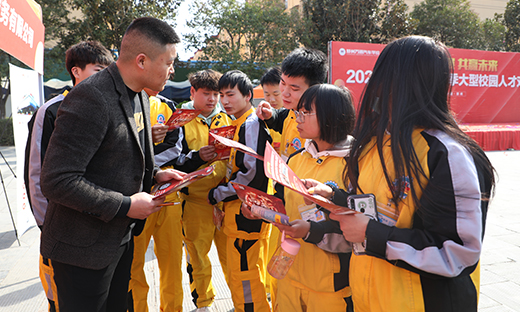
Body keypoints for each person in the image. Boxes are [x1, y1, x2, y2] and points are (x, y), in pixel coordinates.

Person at [308, 36, 496, 312]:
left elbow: (458, 252)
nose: (377, 85)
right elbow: (373, 205)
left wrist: (371, 233)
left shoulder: (446, 153)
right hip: (369, 299)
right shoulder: (374, 142)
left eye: (385, 74)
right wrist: (337, 198)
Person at [39, 17, 184, 312]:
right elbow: (58, 180)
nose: (172, 70)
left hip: (118, 238)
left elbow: (119, 155)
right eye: (169, 62)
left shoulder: (140, 94)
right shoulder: (91, 97)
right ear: (141, 60)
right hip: (82, 248)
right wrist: (125, 205)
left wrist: (156, 175)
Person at [245, 84, 356, 312]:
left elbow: (358, 227)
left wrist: (310, 230)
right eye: (298, 112)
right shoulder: (296, 159)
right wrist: (261, 211)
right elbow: (282, 204)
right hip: (289, 275)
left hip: (332, 286)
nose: (298, 118)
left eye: (306, 113)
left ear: (331, 115)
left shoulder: (355, 163)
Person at [23, 40, 114, 312]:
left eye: (107, 71)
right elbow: (36, 173)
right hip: (60, 228)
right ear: (76, 71)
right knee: (61, 298)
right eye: (98, 70)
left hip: (97, 226)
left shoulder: (108, 106)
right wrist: (45, 225)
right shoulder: (51, 110)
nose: (105, 78)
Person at [207, 70, 272, 312]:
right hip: (244, 213)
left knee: (246, 275)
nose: (224, 101)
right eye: (221, 95)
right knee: (248, 272)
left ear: (247, 96)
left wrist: (217, 193)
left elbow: (250, 173)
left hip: (246, 214)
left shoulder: (250, 124)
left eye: (230, 94)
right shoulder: (239, 124)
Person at [170, 69, 232, 311]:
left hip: (225, 200)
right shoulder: (179, 120)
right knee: (198, 257)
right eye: (207, 94)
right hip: (195, 202)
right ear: (192, 92)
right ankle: (203, 303)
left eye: (216, 94)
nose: (212, 99)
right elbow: (172, 160)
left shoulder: (226, 118)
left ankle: (240, 301)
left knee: (230, 258)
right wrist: (196, 158)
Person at [128, 87, 185, 312]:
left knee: (172, 260)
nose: (169, 70)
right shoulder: (125, 102)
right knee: (134, 264)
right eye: (165, 63)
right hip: (135, 194)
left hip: (167, 192)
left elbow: (176, 146)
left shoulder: (168, 106)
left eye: (170, 64)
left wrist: (149, 165)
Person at [256, 47, 328, 161]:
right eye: (283, 83)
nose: (284, 93)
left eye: (294, 89)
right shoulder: (291, 112)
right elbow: (280, 120)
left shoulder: (322, 126)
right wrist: (271, 115)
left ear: (314, 89)